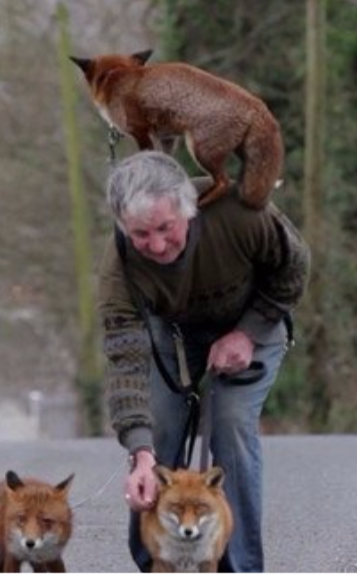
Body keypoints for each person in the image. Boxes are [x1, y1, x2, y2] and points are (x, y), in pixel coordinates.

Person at [98, 151, 310, 572]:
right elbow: (126, 362)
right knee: (157, 430)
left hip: (255, 317)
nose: (156, 245)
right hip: (174, 331)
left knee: (230, 421)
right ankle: (157, 562)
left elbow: (294, 270)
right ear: (123, 226)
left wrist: (247, 332)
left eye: (165, 228)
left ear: (188, 212)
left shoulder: (239, 214)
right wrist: (141, 453)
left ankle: (238, 565)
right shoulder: (119, 267)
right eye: (141, 233)